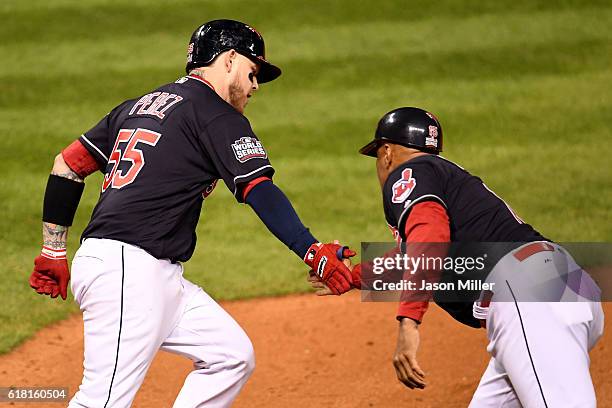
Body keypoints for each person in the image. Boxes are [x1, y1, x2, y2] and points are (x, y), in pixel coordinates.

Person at [29, 19, 355, 408]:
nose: (255, 86)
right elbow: (259, 190)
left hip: (151, 273)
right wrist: (311, 249)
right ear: (229, 60)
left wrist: (53, 251)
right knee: (101, 402)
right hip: (128, 273)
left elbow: (67, 165)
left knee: (230, 357)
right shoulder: (218, 114)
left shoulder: (140, 105)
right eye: (253, 73)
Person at [310, 107, 604, 407]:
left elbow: (429, 239)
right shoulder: (442, 176)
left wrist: (408, 322)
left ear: (386, 153)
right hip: (559, 287)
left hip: (532, 302)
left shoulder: (408, 172)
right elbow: (422, 256)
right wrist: (353, 276)